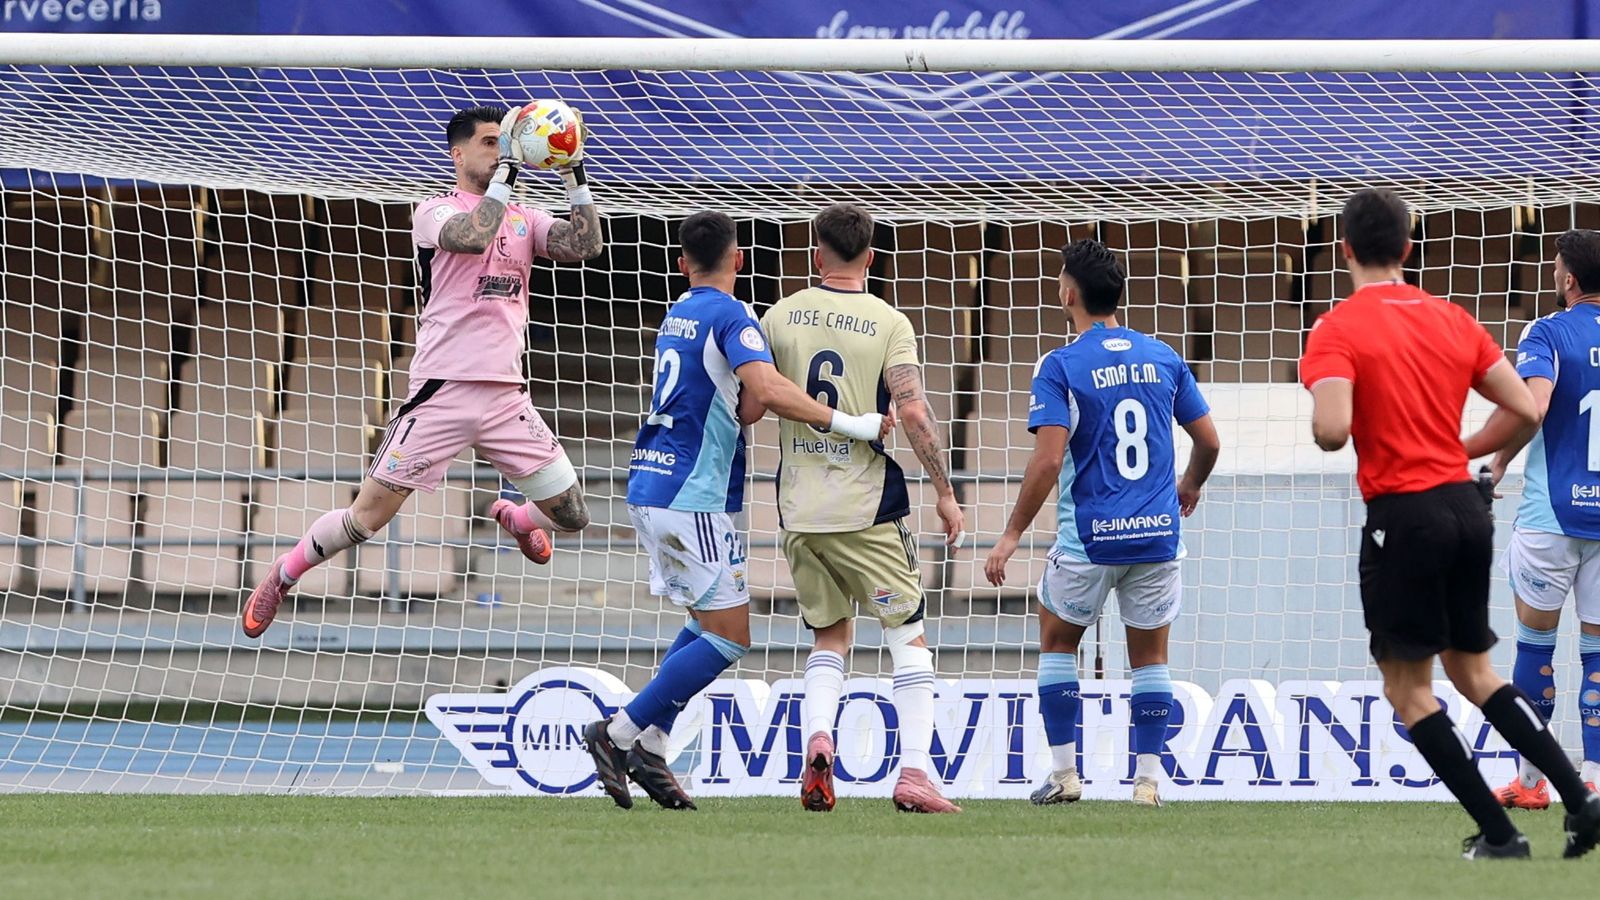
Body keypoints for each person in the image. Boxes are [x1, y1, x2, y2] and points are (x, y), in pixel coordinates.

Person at [1300, 187, 1600, 860]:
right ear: (1409, 248)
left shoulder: (1336, 329)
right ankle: (1581, 801)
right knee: (1478, 674)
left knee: (1409, 690)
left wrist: (1332, 402)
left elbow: (1331, 429)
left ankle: (1501, 833)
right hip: (1467, 509)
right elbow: (1524, 409)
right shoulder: (1452, 318)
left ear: (1343, 249)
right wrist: (1454, 449)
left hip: (1403, 516)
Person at [241, 104, 603, 638]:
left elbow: (586, 246)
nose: (499, 150)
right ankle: (283, 574)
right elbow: (474, 235)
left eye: (502, 142)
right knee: (366, 520)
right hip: (442, 392)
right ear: (458, 154)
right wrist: (509, 166)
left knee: (572, 515)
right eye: (488, 142)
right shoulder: (433, 210)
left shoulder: (526, 216)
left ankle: (515, 518)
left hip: (506, 396)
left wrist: (573, 173)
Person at [582, 211, 891, 811]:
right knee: (732, 637)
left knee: (704, 623)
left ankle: (654, 743)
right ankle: (617, 732)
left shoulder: (679, 313)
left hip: (652, 483)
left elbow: (741, 405)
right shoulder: (731, 314)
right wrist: (854, 423)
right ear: (740, 258)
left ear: (681, 264)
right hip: (692, 492)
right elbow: (765, 394)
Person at [983, 238, 1220, 809]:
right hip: (1158, 536)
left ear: (1068, 292)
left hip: (1089, 539)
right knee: (1151, 660)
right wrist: (1189, 485)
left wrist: (1012, 532)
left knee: (1058, 644)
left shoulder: (1061, 365)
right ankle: (1147, 784)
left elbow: (1046, 459)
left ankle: (1066, 775)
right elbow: (1209, 440)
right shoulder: (1163, 356)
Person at [757, 202, 966, 814]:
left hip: (798, 510)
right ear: (870, 257)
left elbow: (753, 401)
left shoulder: (780, 315)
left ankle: (820, 738)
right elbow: (913, 411)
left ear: (815, 253)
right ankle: (915, 774)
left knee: (829, 637)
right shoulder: (888, 320)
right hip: (865, 507)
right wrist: (946, 492)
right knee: (908, 637)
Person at [1485, 229, 1600, 809]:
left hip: (1552, 514)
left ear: (1569, 279)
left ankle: (1532, 783)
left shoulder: (1548, 332)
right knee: (1599, 652)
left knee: (1535, 647)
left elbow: (1533, 406)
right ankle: (1597, 779)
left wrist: (1496, 458)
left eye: (1556, 269)